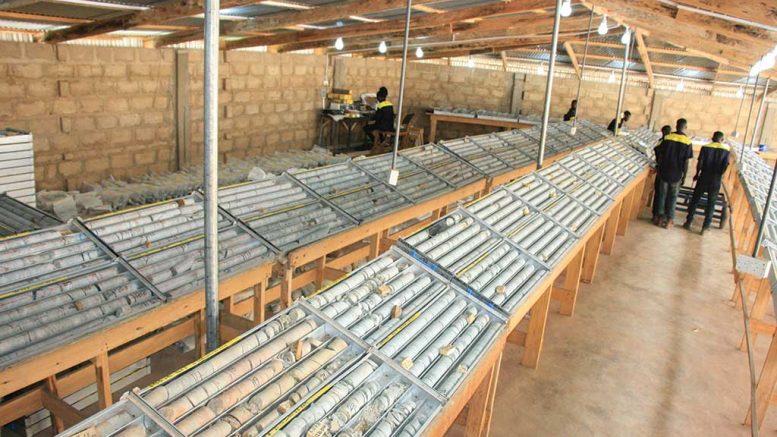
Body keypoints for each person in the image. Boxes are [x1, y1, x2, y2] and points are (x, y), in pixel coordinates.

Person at [683, 131, 730, 235]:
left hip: (704, 177)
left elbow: (700, 162)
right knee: (711, 204)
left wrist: (697, 174)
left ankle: (688, 222)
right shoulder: (726, 151)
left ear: (712, 138)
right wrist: (719, 175)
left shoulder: (705, 148)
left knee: (695, 200)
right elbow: (725, 166)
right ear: (722, 140)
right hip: (715, 179)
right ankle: (705, 227)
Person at [654, 118, 693, 228]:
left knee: (662, 195)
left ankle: (660, 218)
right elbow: (686, 161)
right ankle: (669, 220)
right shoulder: (687, 142)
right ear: (685, 127)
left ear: (676, 126)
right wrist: (684, 176)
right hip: (677, 173)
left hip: (664, 171)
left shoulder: (668, 137)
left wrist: (659, 166)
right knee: (673, 196)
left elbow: (659, 152)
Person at [651, 125, 673, 223]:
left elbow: (656, 150)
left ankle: (656, 215)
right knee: (666, 195)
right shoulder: (670, 142)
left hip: (662, 171)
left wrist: (658, 163)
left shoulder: (663, 142)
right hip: (669, 171)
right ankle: (663, 216)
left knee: (660, 194)